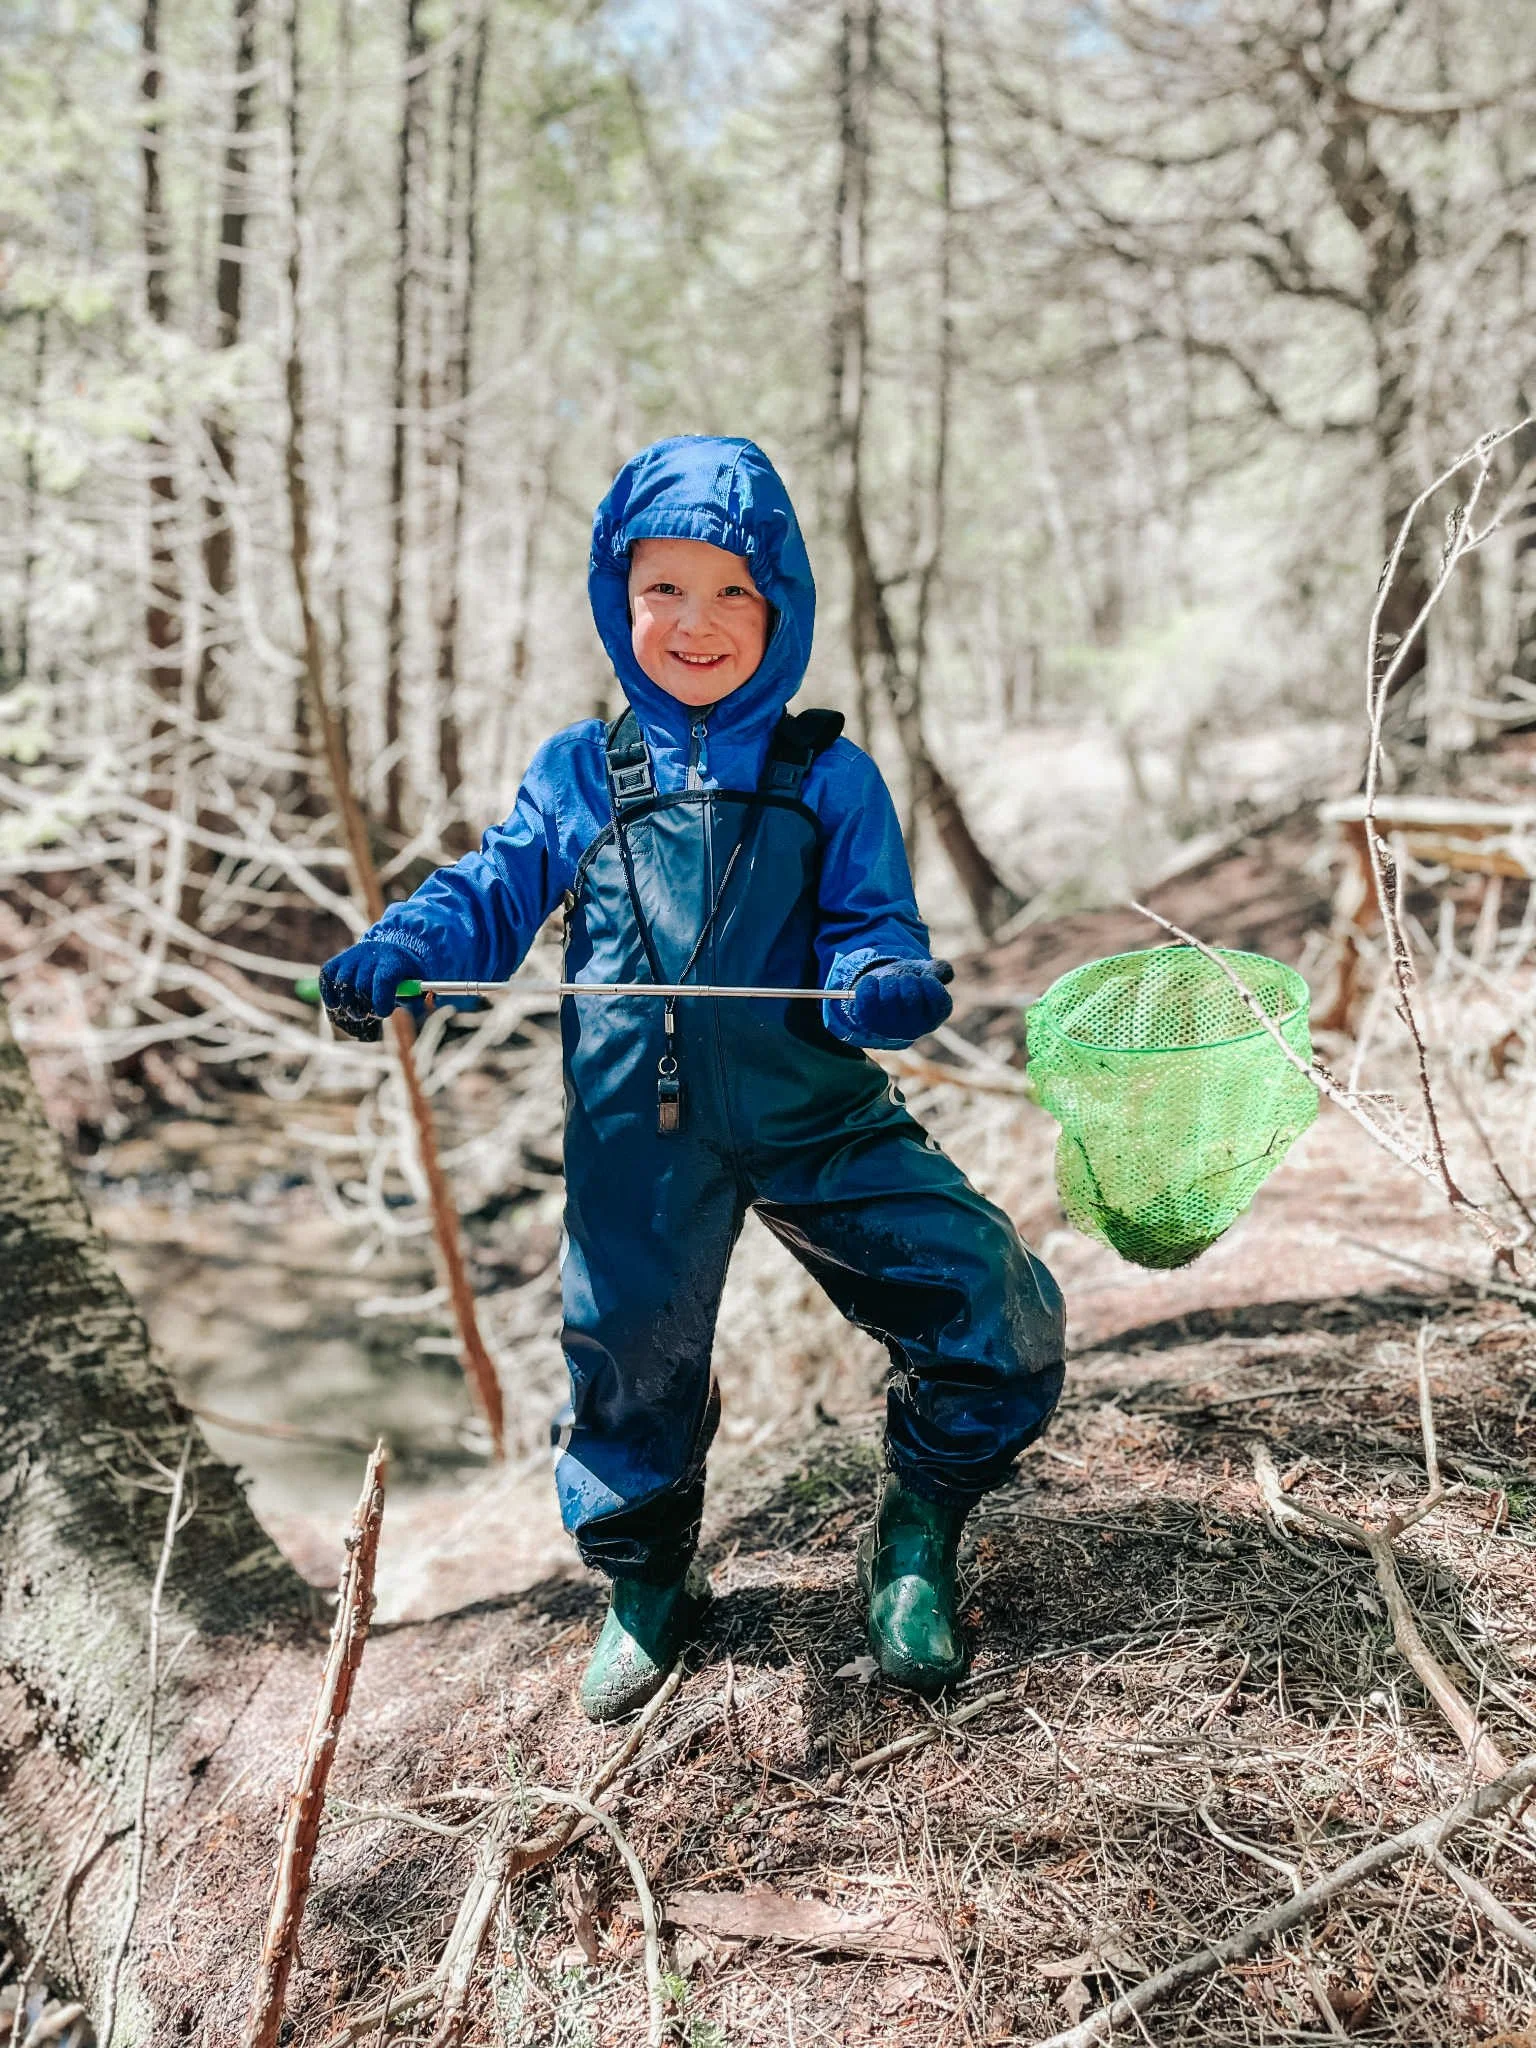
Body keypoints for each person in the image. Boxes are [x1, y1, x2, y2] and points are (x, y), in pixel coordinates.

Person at [320, 436, 1065, 1721]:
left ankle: (917, 1531)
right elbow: (490, 896)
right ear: (622, 599)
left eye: (732, 591)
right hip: (635, 1134)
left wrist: (879, 976)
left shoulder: (827, 774)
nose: (696, 621)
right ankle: (649, 1580)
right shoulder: (579, 775)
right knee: (627, 1363)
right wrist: (402, 949)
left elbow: (874, 927)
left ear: (779, 607)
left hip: (815, 1110)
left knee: (988, 1295)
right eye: (664, 588)